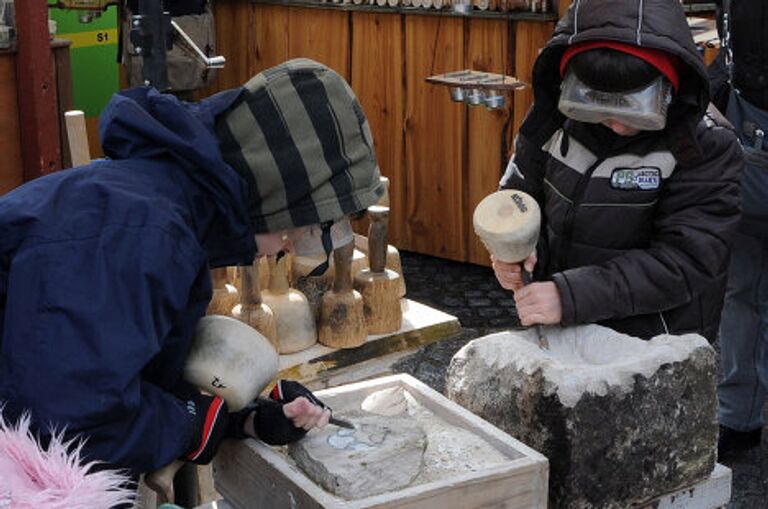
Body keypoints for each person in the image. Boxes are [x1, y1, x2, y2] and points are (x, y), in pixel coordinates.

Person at [0, 58, 384, 479]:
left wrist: (247, 410)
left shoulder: (168, 212)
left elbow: (122, 368)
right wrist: (198, 420)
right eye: (300, 226)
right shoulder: (145, 235)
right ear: (271, 193)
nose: (286, 247)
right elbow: (74, 425)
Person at [491, 0, 742, 343]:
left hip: (653, 343)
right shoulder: (555, 116)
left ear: (669, 88)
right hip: (565, 328)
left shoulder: (707, 144)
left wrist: (570, 296)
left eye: (635, 106)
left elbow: (686, 261)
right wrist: (514, 249)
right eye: (597, 104)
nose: (617, 122)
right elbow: (519, 193)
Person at [707, 0, 768, 459]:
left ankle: (739, 417)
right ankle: (737, 416)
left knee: (743, 289)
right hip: (747, 120)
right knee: (740, 286)